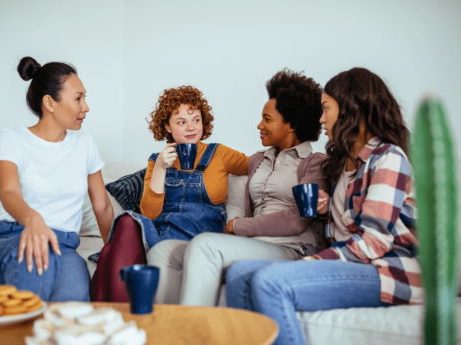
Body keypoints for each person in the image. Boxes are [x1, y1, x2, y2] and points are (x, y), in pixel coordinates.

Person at [226, 67, 423, 345]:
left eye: (326, 108)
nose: (321, 119)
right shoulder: (344, 164)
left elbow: (374, 242)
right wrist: (326, 206)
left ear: (351, 109)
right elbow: (354, 216)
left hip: (387, 271)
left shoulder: (388, 158)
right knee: (238, 274)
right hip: (358, 265)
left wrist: (313, 263)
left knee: (270, 282)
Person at [146, 69, 330, 306]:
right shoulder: (257, 161)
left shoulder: (314, 162)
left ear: (291, 125)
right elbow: (151, 210)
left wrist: (237, 225)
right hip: (255, 244)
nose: (259, 125)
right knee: (162, 251)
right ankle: (166, 332)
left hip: (292, 248)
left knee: (205, 244)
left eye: (267, 119)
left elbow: (297, 220)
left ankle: (191, 334)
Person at [0, 57, 113, 302]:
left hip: (62, 246)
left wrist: (113, 250)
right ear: (50, 103)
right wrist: (33, 219)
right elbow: (9, 192)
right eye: (78, 98)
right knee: (32, 258)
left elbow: (103, 206)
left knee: (74, 294)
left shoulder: (85, 144)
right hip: (8, 239)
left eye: (84, 98)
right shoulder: (12, 139)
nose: (85, 107)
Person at [89, 85, 249, 302]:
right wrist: (161, 168)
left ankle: (116, 318)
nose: (191, 127)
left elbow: (258, 166)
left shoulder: (219, 153)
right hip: (161, 236)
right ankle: (118, 318)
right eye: (181, 122)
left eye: (196, 119)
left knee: (108, 254)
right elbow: (151, 213)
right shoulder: (157, 159)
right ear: (167, 126)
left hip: (198, 239)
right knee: (127, 222)